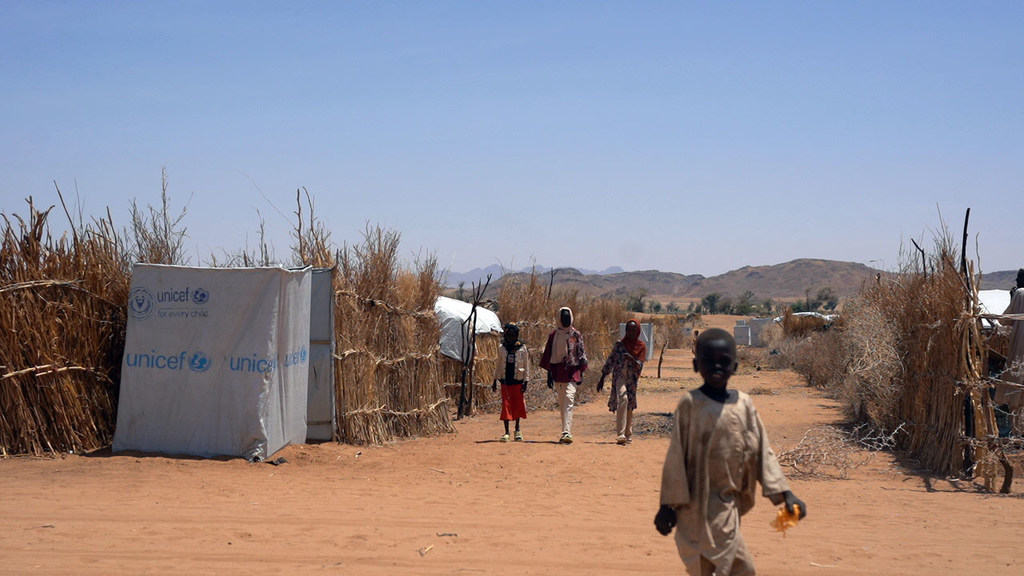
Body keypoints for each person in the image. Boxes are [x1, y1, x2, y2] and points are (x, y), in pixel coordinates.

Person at [655, 328, 806, 576]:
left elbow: (761, 451)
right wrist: (667, 505)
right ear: (695, 365)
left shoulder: (744, 405)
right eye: (708, 361)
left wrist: (785, 494)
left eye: (724, 362)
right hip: (693, 507)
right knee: (712, 567)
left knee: (741, 568)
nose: (717, 367)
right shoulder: (690, 404)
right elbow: (675, 458)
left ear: (735, 366)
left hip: (727, 505)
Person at [539, 306, 587, 444]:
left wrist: (581, 373)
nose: (566, 320)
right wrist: (549, 374)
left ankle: (567, 432)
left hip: (572, 371)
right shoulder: (554, 335)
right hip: (558, 371)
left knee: (569, 398)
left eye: (568, 317)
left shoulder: (576, 335)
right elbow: (549, 354)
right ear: (559, 319)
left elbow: (581, 353)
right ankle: (565, 430)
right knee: (562, 402)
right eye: (563, 318)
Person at [597, 319, 646, 445]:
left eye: (634, 330)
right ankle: (621, 434)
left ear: (638, 331)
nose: (631, 332)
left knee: (629, 404)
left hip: (632, 379)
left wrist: (632, 359)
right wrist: (602, 377)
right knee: (623, 398)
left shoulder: (641, 346)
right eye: (628, 329)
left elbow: (640, 365)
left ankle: (628, 433)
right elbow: (611, 360)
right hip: (619, 376)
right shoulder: (620, 345)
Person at [995, 269, 1024, 435]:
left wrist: (1012, 298)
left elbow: (1004, 320)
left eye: (1019, 279)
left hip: (1020, 350)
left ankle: (1018, 433)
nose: (1016, 281)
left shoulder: (1020, 293)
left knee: (1016, 393)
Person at [493, 323, 529, 442]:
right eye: (508, 335)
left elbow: (526, 365)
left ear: (517, 335)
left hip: (517, 381)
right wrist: (495, 380)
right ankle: (506, 432)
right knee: (506, 405)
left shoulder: (522, 348)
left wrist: (526, 381)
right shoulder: (502, 348)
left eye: (513, 335)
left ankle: (517, 430)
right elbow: (499, 364)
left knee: (518, 405)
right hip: (505, 382)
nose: (511, 338)